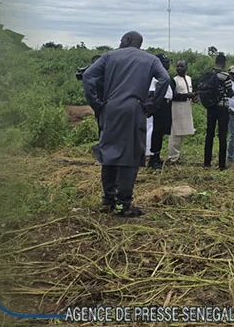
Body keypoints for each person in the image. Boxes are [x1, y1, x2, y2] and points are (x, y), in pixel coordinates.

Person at [82, 31, 170, 218]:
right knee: (130, 157)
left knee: (109, 153)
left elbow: (88, 76)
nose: (120, 42)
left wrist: (96, 104)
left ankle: (108, 201)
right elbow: (165, 79)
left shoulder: (109, 56)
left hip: (110, 109)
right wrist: (152, 105)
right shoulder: (151, 60)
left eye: (122, 40)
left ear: (128, 40)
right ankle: (123, 205)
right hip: (134, 109)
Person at [202, 53, 234, 170]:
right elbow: (230, 92)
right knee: (222, 136)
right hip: (222, 108)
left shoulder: (208, 74)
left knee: (209, 134)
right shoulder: (225, 76)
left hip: (211, 107)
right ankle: (222, 164)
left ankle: (206, 162)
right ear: (224, 63)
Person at [145, 54, 173, 170]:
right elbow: (150, 93)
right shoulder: (155, 77)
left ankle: (157, 156)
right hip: (159, 105)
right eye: (165, 62)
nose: (168, 64)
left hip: (166, 105)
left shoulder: (164, 76)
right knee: (156, 132)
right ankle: (152, 157)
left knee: (161, 131)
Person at [168, 60, 197, 164]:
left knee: (182, 132)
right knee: (176, 133)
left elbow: (189, 92)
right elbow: (172, 96)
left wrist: (193, 97)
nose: (179, 68)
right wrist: (186, 96)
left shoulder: (189, 79)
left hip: (186, 108)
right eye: (177, 66)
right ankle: (172, 157)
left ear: (186, 67)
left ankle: (177, 155)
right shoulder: (174, 80)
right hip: (177, 108)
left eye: (181, 66)